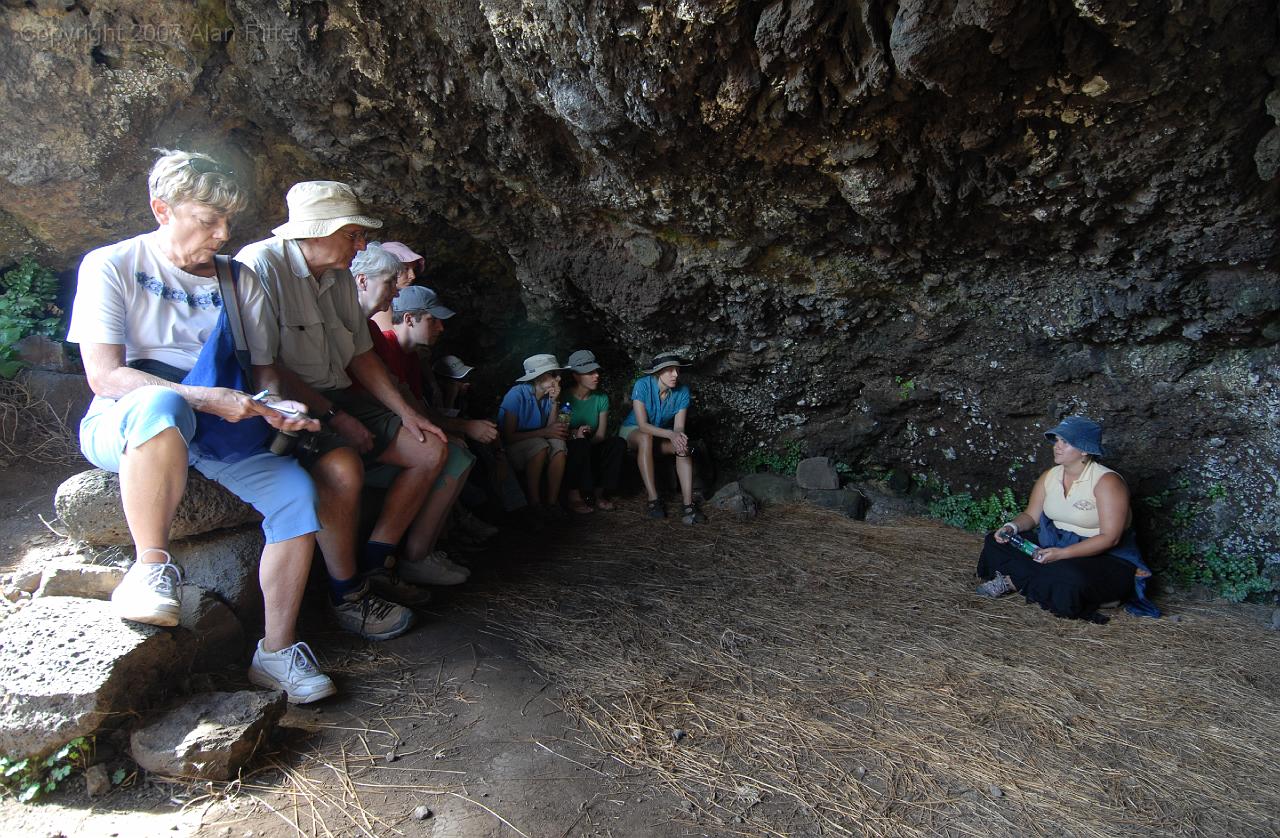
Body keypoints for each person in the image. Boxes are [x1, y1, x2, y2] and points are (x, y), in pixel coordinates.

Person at [67, 149, 335, 703]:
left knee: (297, 495)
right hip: (127, 420)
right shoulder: (111, 265)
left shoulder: (239, 282)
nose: (221, 234)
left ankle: (277, 651)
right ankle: (150, 569)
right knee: (161, 409)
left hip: (217, 430)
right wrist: (204, 399)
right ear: (161, 209)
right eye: (207, 220)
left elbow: (263, 376)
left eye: (228, 222)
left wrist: (277, 408)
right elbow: (106, 376)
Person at [235, 181, 450, 640]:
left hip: (340, 395)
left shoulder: (335, 277)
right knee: (343, 468)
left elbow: (360, 356)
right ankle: (346, 594)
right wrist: (335, 417)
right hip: (292, 403)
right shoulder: (259, 267)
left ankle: (377, 564)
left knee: (428, 447)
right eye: (353, 233)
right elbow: (265, 366)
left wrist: (408, 414)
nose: (360, 244)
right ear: (317, 229)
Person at [975, 416, 1160, 622]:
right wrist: (1012, 527)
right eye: (1057, 440)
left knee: (1067, 576)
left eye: (1066, 442)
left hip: (1102, 556)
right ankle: (1037, 579)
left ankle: (1014, 580)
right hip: (1055, 545)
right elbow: (1030, 516)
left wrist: (1062, 554)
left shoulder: (1107, 482)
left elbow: (1111, 538)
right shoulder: (1050, 476)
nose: (1057, 446)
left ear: (1085, 450)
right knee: (996, 540)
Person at [619, 353, 706, 524]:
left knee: (682, 447)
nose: (675, 374)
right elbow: (643, 425)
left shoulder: (682, 391)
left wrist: (678, 436)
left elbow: (679, 426)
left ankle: (688, 505)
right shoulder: (642, 385)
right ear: (658, 372)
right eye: (669, 370)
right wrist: (671, 434)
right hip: (634, 431)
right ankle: (653, 500)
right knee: (645, 438)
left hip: (661, 434)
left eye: (677, 370)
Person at [499, 354, 570, 516]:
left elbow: (552, 429)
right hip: (511, 450)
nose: (558, 378)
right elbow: (507, 437)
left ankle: (552, 503)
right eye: (553, 374)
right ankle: (534, 504)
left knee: (559, 445)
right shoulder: (516, 394)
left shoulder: (547, 399)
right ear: (539, 377)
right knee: (539, 444)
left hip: (537, 444)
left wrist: (554, 402)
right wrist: (544, 432)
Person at [562, 349, 627, 514]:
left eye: (596, 371)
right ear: (576, 375)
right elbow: (560, 430)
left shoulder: (601, 398)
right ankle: (574, 496)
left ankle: (598, 495)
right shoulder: (564, 398)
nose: (596, 375)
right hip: (570, 447)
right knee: (579, 444)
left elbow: (600, 435)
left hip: (590, 444)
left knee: (618, 443)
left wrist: (586, 441)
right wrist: (576, 434)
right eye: (589, 372)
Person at [369, 240, 423, 331]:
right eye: (405, 269)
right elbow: (388, 343)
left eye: (414, 270)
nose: (412, 276)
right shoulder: (381, 305)